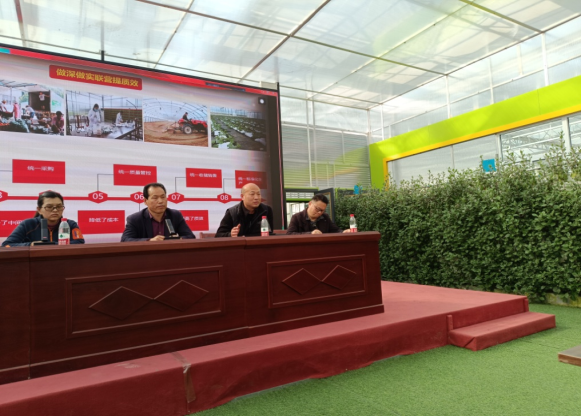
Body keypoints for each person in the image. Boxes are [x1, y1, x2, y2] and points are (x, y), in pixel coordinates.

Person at [1, 191, 84, 246]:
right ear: (39, 210)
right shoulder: (28, 224)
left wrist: (48, 245)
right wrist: (31, 245)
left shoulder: (70, 224)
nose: (55, 210)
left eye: (59, 206)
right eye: (49, 207)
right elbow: (7, 245)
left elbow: (80, 243)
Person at [121, 182, 195, 242]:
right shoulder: (135, 219)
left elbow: (190, 237)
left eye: (163, 197)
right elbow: (125, 240)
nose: (160, 201)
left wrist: (179, 239)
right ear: (145, 201)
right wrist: (150, 241)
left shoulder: (175, 215)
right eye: (155, 198)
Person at [287, 194, 352, 235]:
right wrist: (310, 233)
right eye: (317, 209)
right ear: (310, 204)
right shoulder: (297, 217)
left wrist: (343, 232)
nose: (319, 212)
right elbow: (290, 234)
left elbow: (335, 230)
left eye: (322, 210)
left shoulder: (325, 217)